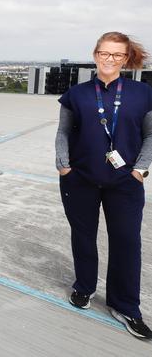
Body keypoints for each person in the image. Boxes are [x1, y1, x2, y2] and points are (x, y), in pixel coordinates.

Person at [56, 31, 152, 339]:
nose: (110, 60)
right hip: (80, 179)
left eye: (117, 55)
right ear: (96, 54)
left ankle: (125, 306)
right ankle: (84, 287)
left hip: (124, 182)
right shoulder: (77, 93)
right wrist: (64, 166)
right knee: (83, 237)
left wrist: (139, 170)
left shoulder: (143, 93)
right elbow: (63, 132)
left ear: (126, 59)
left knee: (126, 242)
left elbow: (151, 135)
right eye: (105, 53)